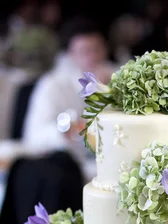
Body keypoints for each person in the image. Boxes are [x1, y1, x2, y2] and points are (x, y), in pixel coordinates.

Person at [23, 17, 113, 162]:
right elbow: (33, 137)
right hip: (68, 164)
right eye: (85, 51)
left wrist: (107, 93)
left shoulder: (117, 77)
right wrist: (65, 130)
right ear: (71, 55)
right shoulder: (53, 84)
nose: (93, 57)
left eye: (97, 50)